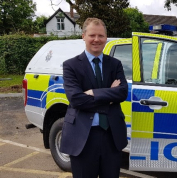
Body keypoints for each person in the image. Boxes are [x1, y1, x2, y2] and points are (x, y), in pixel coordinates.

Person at [60, 18, 128, 178]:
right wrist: (109, 94)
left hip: (111, 137)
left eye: (101, 35)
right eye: (92, 35)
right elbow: (76, 100)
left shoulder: (115, 64)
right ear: (83, 36)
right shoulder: (70, 65)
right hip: (83, 137)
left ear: (106, 38)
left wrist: (94, 93)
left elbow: (122, 92)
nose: (96, 39)